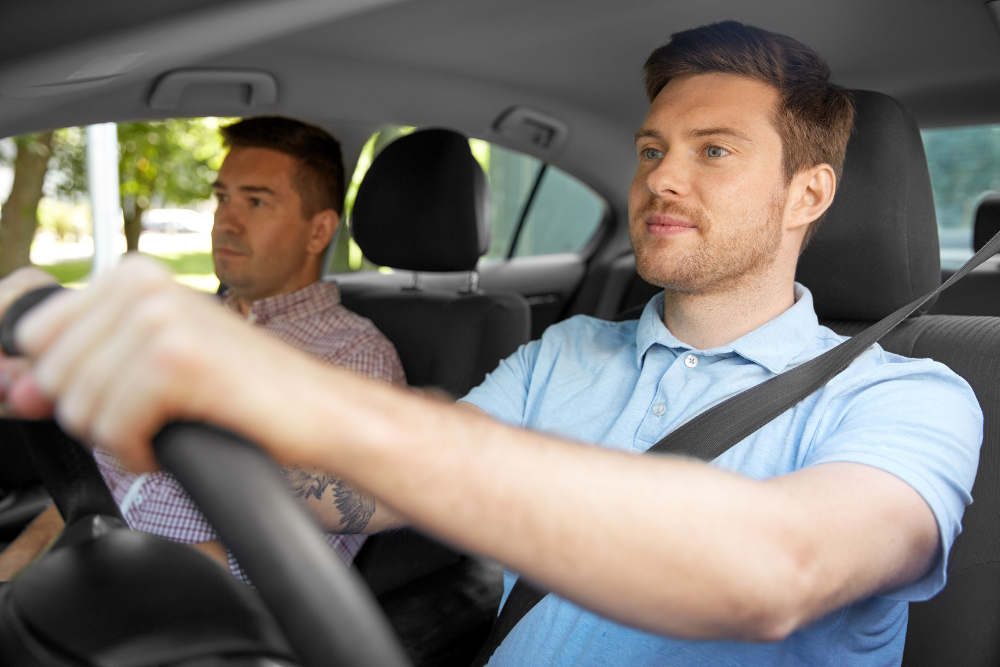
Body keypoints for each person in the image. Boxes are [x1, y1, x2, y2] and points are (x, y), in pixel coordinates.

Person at [0, 21, 984, 666]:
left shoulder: (912, 397)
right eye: (651, 150)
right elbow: (369, 492)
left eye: (713, 150)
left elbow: (777, 572)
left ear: (808, 194)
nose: (660, 179)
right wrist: (191, 423)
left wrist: (296, 391)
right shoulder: (565, 356)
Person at [0, 116, 406, 583]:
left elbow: (293, 555)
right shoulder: (176, 327)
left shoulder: (354, 356)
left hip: (188, 616)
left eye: (255, 201)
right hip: (83, 574)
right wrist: (11, 576)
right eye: (222, 197)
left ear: (318, 232)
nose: (225, 221)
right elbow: (89, 486)